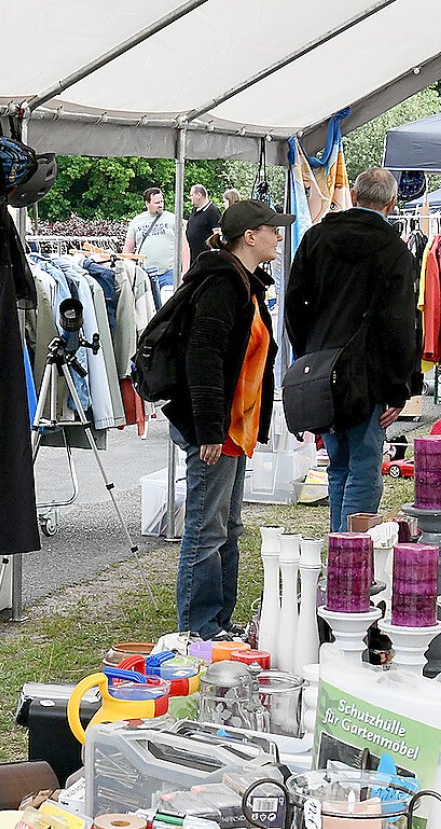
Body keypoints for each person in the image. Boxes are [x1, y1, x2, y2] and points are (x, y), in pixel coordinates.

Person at [162, 199, 288, 639]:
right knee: (206, 528)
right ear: (249, 237)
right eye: (272, 229)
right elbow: (204, 356)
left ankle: (218, 623)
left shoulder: (246, 282)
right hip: (215, 428)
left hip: (233, 427)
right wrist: (209, 428)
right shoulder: (223, 283)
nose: (278, 235)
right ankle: (196, 630)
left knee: (227, 527)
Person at [286, 167, 421, 534]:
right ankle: (350, 553)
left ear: (356, 197)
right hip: (370, 376)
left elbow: (294, 303)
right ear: (392, 205)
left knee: (338, 465)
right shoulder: (393, 249)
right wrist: (400, 387)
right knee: (363, 466)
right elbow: (400, 324)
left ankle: (340, 547)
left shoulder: (316, 238)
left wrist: (307, 353)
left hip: (322, 370)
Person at [124, 187, 183, 288]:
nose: (160, 205)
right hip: (145, 274)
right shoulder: (137, 221)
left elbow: (185, 247)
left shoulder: (172, 219)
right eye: (157, 203)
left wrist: (184, 272)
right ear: (147, 203)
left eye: (161, 202)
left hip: (169, 273)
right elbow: (127, 251)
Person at [185, 183, 222, 262]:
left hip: (207, 258)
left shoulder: (213, 211)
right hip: (194, 256)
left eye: (191, 195)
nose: (190, 198)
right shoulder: (194, 210)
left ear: (198, 195)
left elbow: (217, 234)